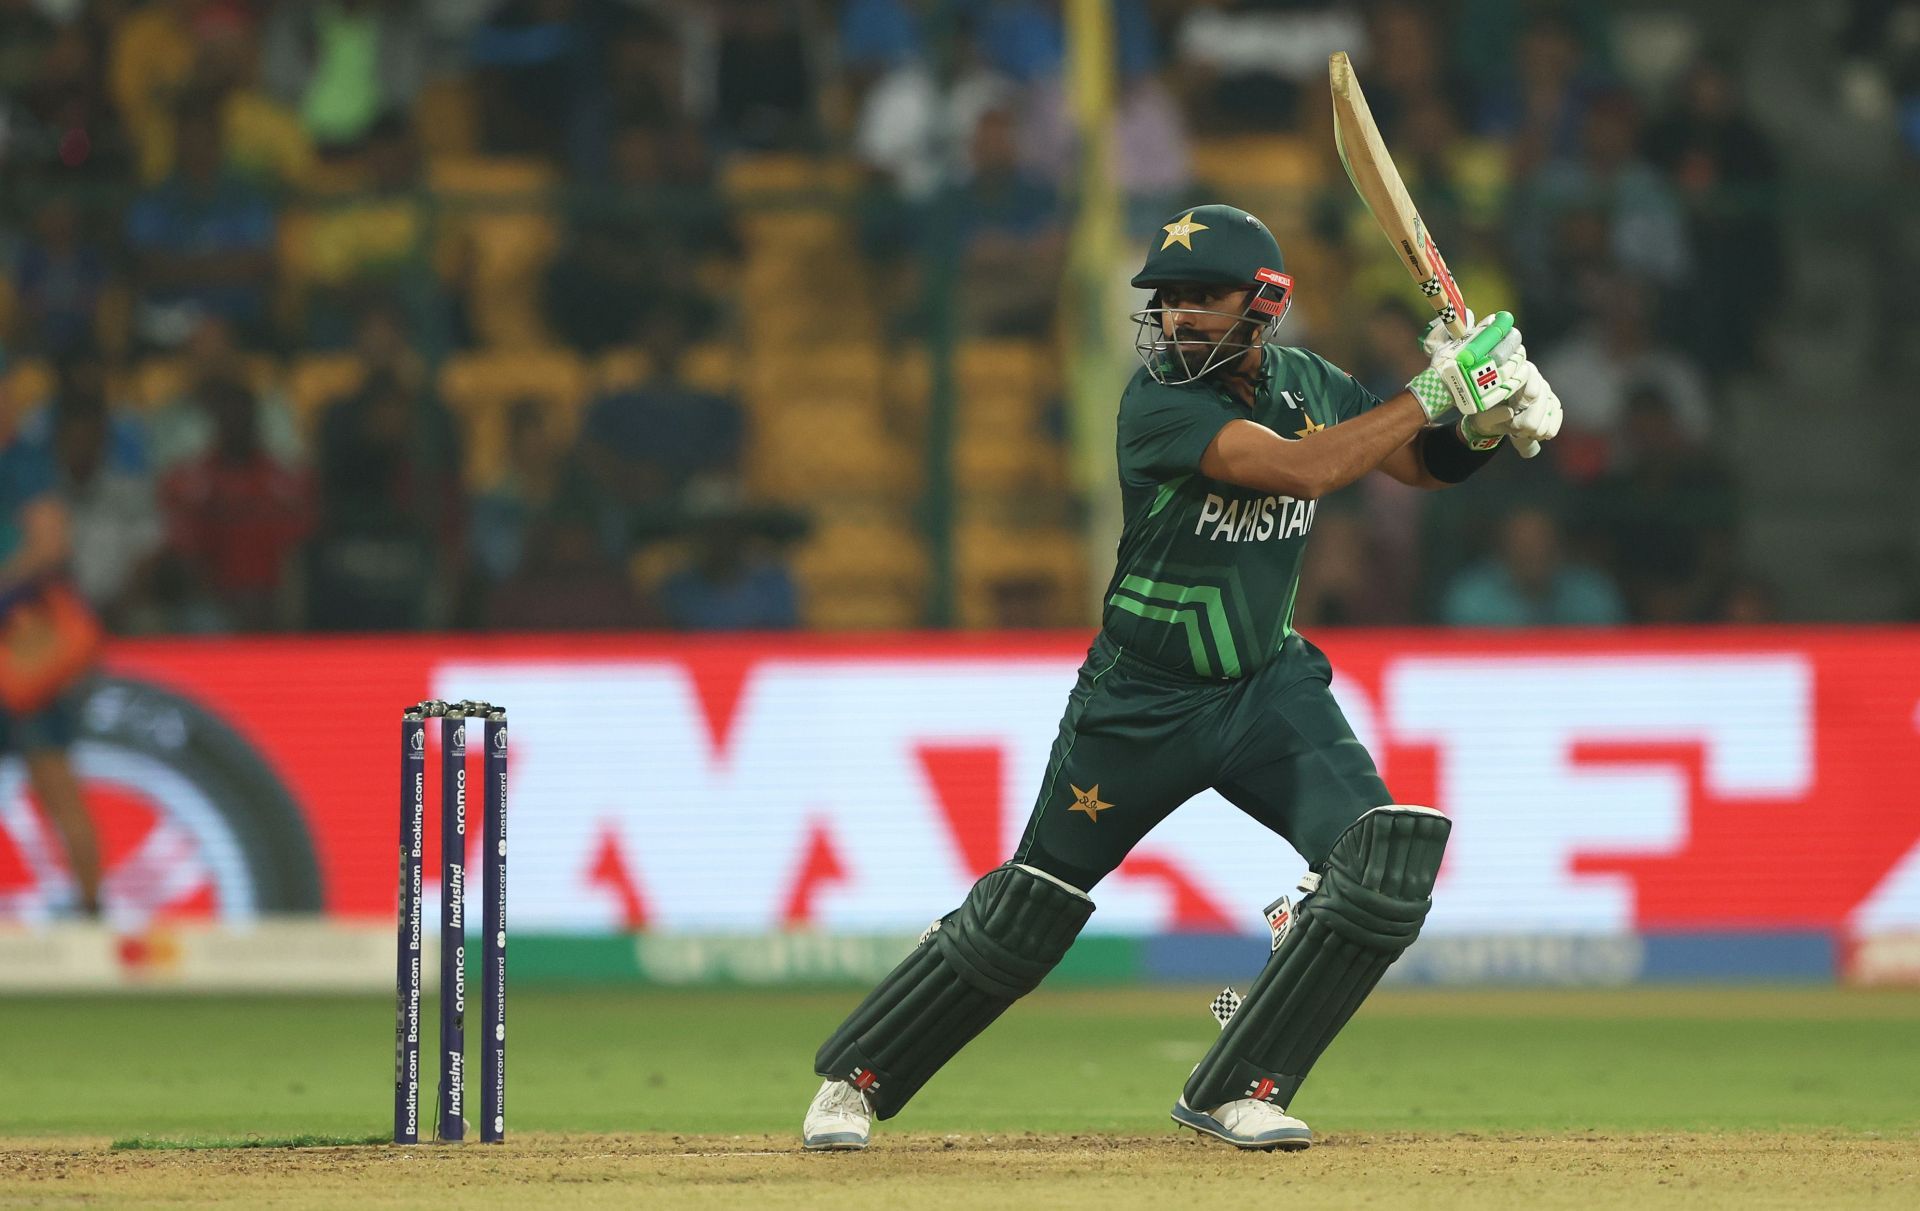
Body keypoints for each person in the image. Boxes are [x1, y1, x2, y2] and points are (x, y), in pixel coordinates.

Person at [802, 203, 1564, 1151]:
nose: (1178, 319)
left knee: (1383, 865)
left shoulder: (1306, 381)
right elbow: (1305, 472)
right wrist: (1440, 386)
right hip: (1139, 704)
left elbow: (1415, 464)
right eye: (1167, 301)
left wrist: (1482, 423)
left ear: (1264, 303)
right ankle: (856, 1079)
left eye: (1203, 298)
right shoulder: (1158, 405)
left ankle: (1238, 1086)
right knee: (1027, 913)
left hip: (1265, 689)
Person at [0, 408, 101, 918]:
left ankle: (89, 909)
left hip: (25, 644)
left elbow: (50, 545)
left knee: (53, 774)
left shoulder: (24, 465)